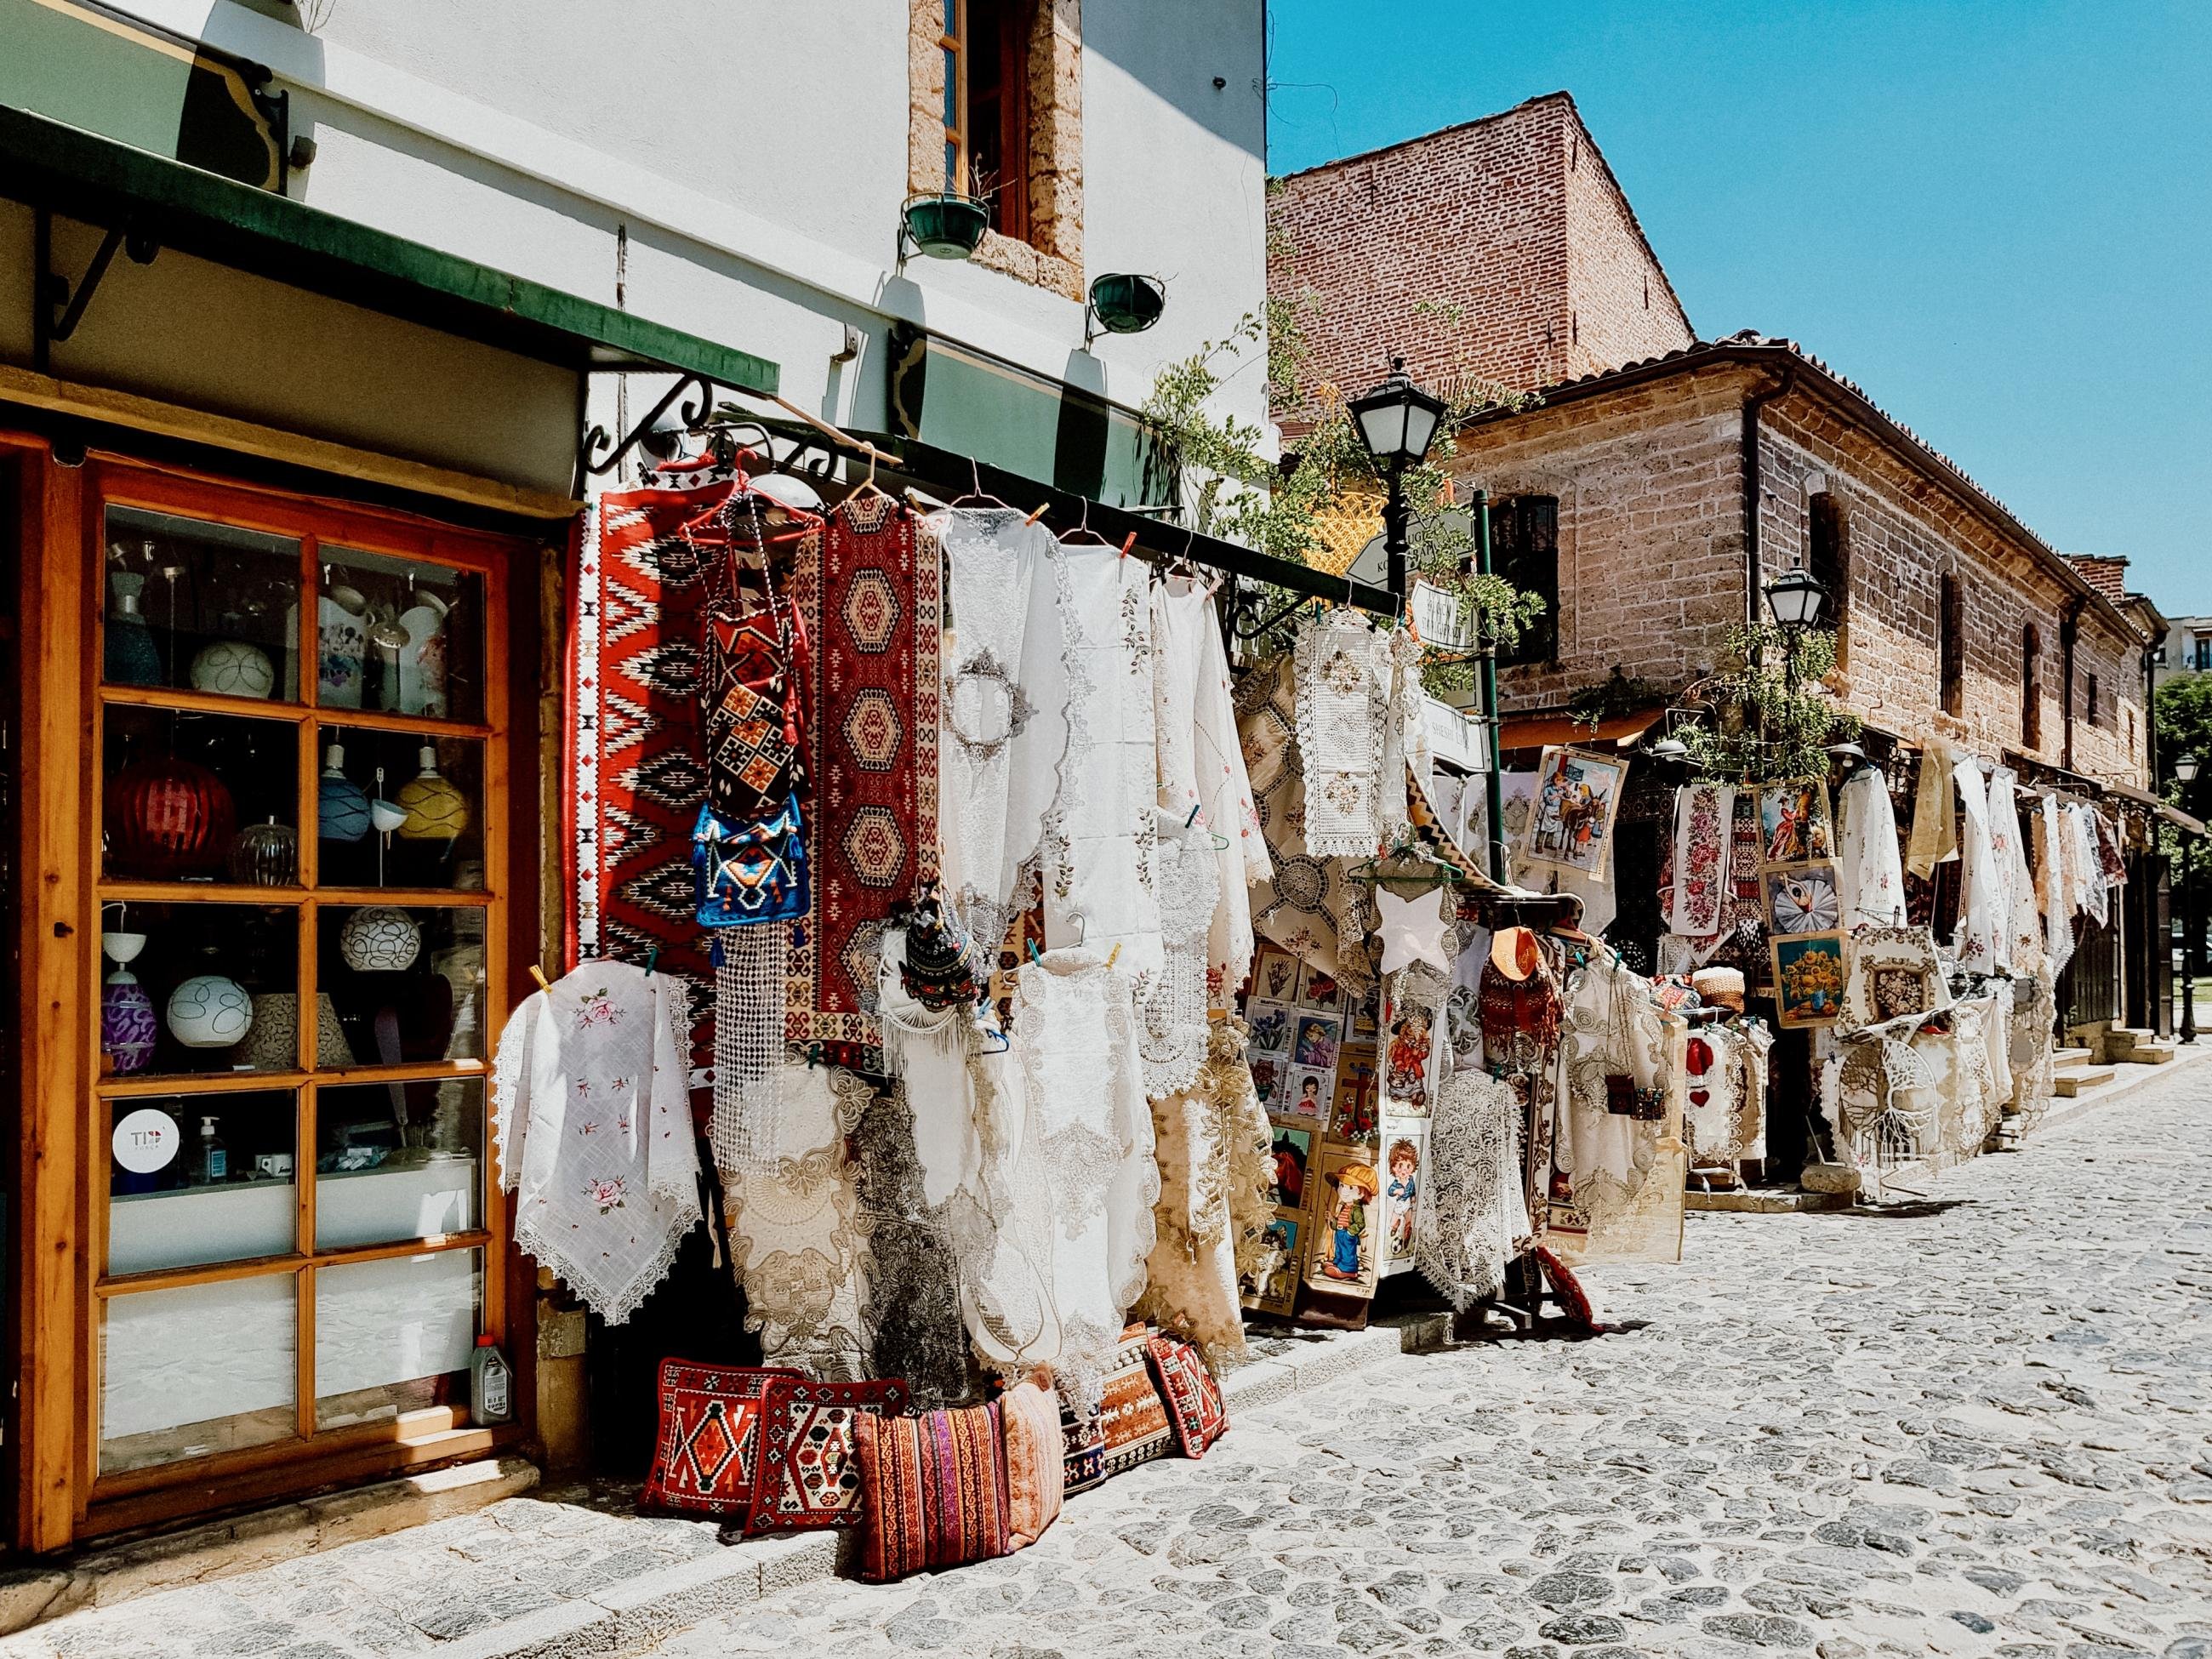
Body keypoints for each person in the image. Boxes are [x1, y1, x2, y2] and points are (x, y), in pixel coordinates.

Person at [1319, 1163, 1379, 1283]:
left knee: (1347, 1252)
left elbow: (1360, 1224)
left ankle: (1348, 1270)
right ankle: (1337, 1263)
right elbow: (1340, 1221)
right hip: (1340, 1232)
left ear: (1361, 1193)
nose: (1344, 1191)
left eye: (1351, 1188)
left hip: (1348, 1235)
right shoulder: (1345, 1207)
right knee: (1339, 1249)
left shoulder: (1356, 1210)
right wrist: (1332, 1219)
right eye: (1341, 1185)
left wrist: (1350, 1233)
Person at [1385, 1140, 1419, 1259]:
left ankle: (1406, 1235)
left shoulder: (1410, 1180)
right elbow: (1390, 1190)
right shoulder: (1396, 1182)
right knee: (1393, 1222)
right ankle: (1395, 1225)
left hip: (1408, 1205)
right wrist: (1396, 1191)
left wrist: (1413, 1196)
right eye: (1400, 1165)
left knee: (1409, 1221)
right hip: (1399, 1205)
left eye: (1408, 1166)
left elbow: (1413, 1188)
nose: (1404, 1170)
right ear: (1393, 1167)